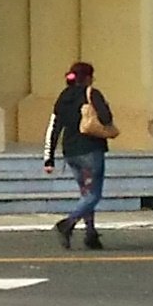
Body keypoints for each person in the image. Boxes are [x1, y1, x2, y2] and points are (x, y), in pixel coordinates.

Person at [41, 58, 118, 249]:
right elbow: (106, 118)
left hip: (70, 152)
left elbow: (54, 127)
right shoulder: (92, 93)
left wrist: (48, 158)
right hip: (90, 150)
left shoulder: (63, 96)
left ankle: (91, 234)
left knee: (85, 193)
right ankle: (68, 223)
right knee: (93, 195)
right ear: (89, 78)